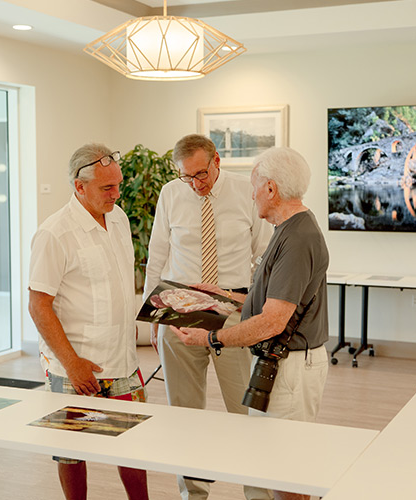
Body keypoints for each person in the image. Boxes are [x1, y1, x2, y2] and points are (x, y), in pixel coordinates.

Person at [172, 146, 330, 500]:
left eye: (255, 185)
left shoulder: (297, 238)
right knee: (276, 465)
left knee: (287, 474)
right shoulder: (288, 230)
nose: (251, 193)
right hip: (282, 364)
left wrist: (210, 339)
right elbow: (276, 300)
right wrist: (224, 295)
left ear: (271, 189)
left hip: (291, 367)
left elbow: (272, 321)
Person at [144, 134, 272, 500]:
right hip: (181, 309)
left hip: (233, 307)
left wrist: (255, 310)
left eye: (201, 174)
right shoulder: (171, 194)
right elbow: (157, 255)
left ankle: (258, 494)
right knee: (184, 415)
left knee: (245, 411)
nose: (195, 184)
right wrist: (154, 316)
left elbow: (263, 254)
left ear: (217, 161)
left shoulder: (245, 192)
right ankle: (193, 493)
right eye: (187, 176)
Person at [28, 143, 149, 500]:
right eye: (107, 187)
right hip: (75, 365)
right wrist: (72, 363)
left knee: (135, 444)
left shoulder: (119, 218)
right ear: (79, 186)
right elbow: (38, 305)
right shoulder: (55, 233)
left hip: (123, 360)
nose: (116, 193)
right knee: (71, 451)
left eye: (118, 184)